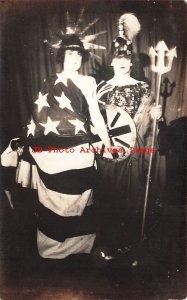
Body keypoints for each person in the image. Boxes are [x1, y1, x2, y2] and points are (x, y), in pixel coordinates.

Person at [1, 33, 112, 260]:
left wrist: (107, 143)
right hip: (52, 151)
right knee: (54, 199)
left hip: (80, 146)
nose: (74, 59)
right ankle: (52, 248)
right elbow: (39, 119)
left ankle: (81, 246)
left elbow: (95, 116)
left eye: (78, 55)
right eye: (70, 54)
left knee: (81, 198)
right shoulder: (49, 81)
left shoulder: (88, 82)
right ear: (62, 57)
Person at [96, 13, 162, 257]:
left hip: (134, 154)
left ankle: (129, 243)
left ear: (131, 62)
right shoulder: (101, 90)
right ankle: (108, 244)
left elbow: (145, 123)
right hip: (109, 157)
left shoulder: (141, 88)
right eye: (118, 57)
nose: (122, 61)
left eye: (126, 57)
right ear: (111, 61)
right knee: (109, 198)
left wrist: (154, 115)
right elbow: (98, 123)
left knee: (131, 198)